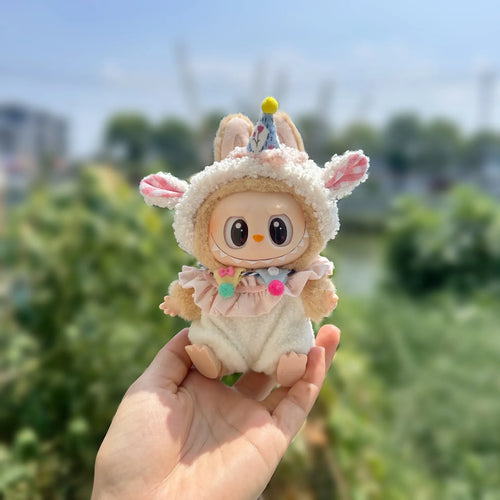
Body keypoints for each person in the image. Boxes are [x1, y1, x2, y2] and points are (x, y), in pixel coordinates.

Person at [91, 324, 340, 500]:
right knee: (212, 337)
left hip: (277, 329)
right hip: (228, 325)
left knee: (288, 339)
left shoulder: (293, 279)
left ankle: (287, 363)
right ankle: (213, 358)